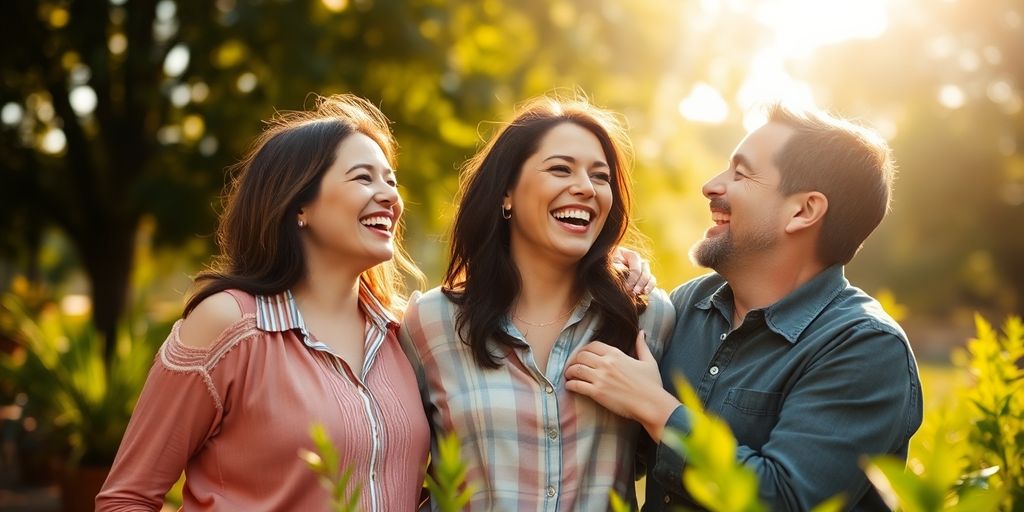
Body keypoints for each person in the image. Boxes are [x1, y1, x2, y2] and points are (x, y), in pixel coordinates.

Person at [565, 103, 923, 511]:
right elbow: (623, 457)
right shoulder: (688, 306)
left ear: (803, 211)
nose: (711, 186)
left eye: (741, 173)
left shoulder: (865, 348)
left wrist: (658, 409)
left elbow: (784, 499)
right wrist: (597, 271)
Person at [96, 94, 430, 511]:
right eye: (364, 178)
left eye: (391, 180)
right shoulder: (228, 325)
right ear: (299, 204)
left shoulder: (406, 334)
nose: (389, 196)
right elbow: (126, 498)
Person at [399, 94, 676, 511]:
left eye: (600, 177)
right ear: (506, 193)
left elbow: (664, 463)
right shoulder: (430, 322)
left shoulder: (648, 319)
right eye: (560, 169)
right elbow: (393, 470)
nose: (585, 187)